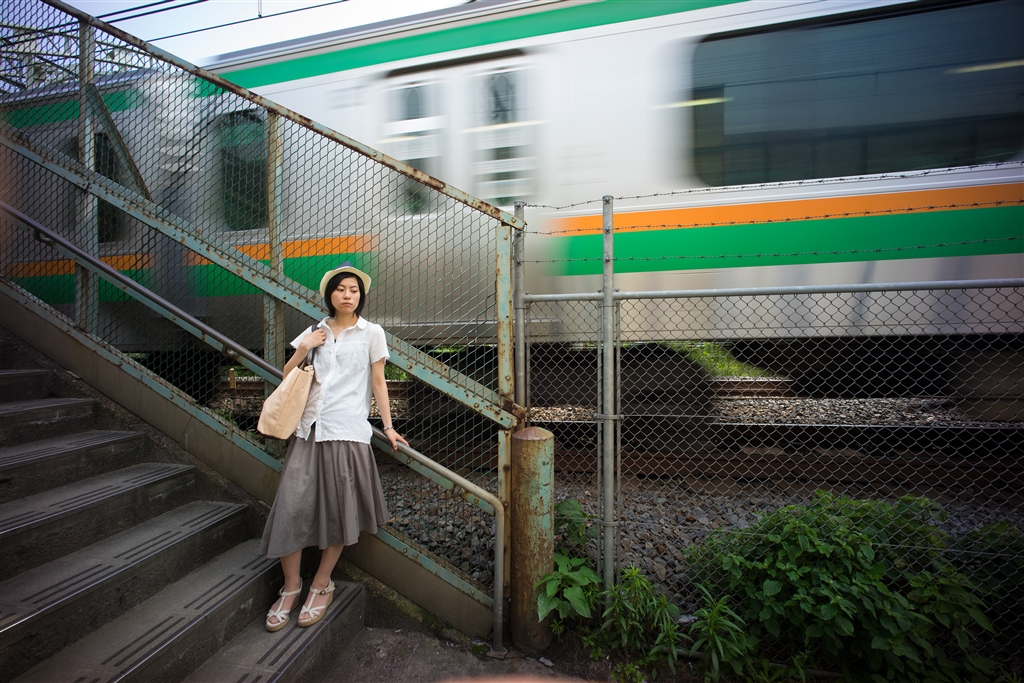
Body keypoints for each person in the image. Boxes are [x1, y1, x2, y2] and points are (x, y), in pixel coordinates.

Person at [260, 262, 407, 631]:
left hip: (347, 431)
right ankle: (291, 587)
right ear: (330, 295)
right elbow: (287, 377)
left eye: (354, 290)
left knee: (340, 512)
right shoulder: (315, 331)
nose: (347, 295)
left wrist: (388, 427)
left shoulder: (372, 333)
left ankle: (321, 584)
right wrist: (303, 347)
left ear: (361, 296)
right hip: (309, 430)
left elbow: (379, 382)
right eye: (341, 289)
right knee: (291, 506)